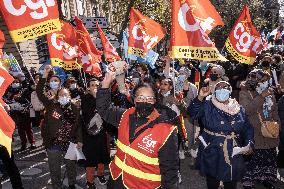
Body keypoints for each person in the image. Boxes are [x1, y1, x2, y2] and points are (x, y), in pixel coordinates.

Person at [96, 72, 179, 189]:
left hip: (144, 185)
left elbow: (170, 169)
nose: (145, 101)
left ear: (155, 101)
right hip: (116, 180)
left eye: (149, 98)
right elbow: (104, 109)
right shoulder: (124, 115)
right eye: (141, 97)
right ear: (134, 100)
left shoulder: (166, 130)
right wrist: (105, 85)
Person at [188, 81, 254, 189]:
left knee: (231, 181)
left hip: (233, 149)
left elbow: (247, 128)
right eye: (218, 87)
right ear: (214, 91)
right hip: (212, 147)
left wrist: (249, 143)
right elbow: (192, 113)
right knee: (212, 181)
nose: (222, 89)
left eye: (225, 87)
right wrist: (200, 97)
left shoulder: (239, 108)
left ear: (230, 91)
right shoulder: (207, 105)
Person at [36, 65, 82, 189]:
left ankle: (72, 184)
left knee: (71, 167)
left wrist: (79, 141)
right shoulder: (51, 104)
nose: (63, 97)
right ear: (57, 97)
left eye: (66, 95)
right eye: (61, 95)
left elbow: (78, 126)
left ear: (69, 96)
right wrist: (45, 75)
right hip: (53, 143)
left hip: (70, 143)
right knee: (54, 169)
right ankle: (57, 186)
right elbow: (39, 91)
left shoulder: (74, 108)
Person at [240, 69, 280, 189]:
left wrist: (277, 123)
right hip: (254, 130)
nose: (265, 83)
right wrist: (261, 97)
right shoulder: (245, 93)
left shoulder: (270, 92)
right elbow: (246, 110)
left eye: (267, 80)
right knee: (253, 156)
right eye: (262, 80)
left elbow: (274, 110)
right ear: (254, 80)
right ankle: (248, 179)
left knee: (268, 157)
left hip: (269, 130)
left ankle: (265, 178)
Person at [81, 78, 110, 189]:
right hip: (89, 135)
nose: (95, 87)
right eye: (92, 85)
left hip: (101, 134)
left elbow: (107, 114)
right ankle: (90, 181)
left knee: (102, 156)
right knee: (91, 159)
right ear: (88, 87)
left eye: (97, 85)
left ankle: (101, 175)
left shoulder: (103, 99)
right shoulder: (84, 99)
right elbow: (86, 114)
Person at [8, 78, 35, 150]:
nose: (15, 83)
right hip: (17, 115)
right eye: (14, 82)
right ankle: (24, 144)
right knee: (20, 130)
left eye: (17, 82)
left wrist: (32, 115)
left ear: (20, 83)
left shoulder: (24, 91)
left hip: (26, 113)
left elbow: (30, 102)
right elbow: (8, 103)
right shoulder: (10, 92)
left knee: (29, 129)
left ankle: (32, 143)